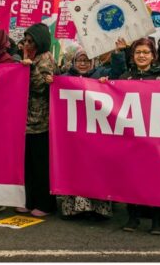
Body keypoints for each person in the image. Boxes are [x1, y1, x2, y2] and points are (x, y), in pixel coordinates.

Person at [100, 37, 160, 235]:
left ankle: (157, 221)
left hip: (156, 139)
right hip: (132, 138)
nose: (142, 56)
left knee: (157, 179)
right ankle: (133, 217)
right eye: (138, 53)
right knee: (132, 178)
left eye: (146, 52)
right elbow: (112, 89)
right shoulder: (126, 76)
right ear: (132, 56)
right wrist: (104, 84)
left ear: (153, 56)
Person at [58, 47, 114, 221]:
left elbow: (119, 72)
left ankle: (98, 208)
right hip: (73, 132)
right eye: (80, 60)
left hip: (96, 132)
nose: (83, 64)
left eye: (87, 60)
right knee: (74, 167)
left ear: (93, 62)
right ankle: (74, 209)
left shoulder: (100, 75)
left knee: (96, 169)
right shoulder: (65, 78)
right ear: (74, 62)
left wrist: (118, 55)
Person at [18, 23, 58, 218]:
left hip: (41, 121)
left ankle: (45, 203)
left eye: (30, 41)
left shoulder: (45, 59)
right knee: (28, 165)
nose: (27, 44)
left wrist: (29, 68)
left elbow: (40, 86)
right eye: (25, 40)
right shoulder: (31, 58)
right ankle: (29, 200)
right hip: (26, 121)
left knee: (40, 165)